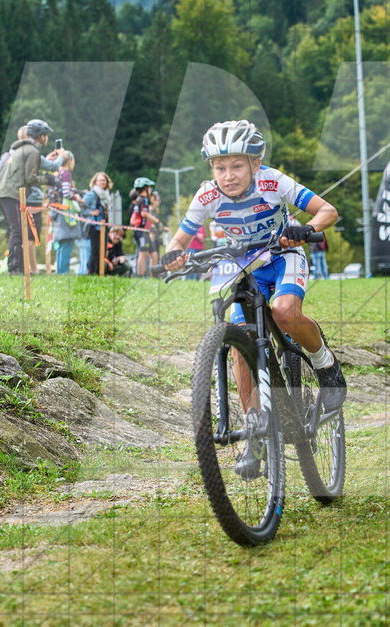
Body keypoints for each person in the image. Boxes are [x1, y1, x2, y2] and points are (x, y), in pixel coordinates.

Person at [161, 120, 346, 478]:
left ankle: (325, 364)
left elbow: (328, 211)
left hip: (282, 255)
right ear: (211, 168)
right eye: (220, 167)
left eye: (236, 166)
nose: (228, 175)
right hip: (241, 263)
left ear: (255, 163)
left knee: (284, 312)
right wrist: (174, 254)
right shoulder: (207, 196)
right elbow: (180, 239)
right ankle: (254, 432)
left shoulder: (272, 182)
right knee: (240, 340)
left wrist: (306, 229)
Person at [0, 118, 59, 275]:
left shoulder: (22, 148)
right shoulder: (32, 151)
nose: (46, 139)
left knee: (20, 230)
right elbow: (30, 179)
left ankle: (20, 267)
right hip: (10, 193)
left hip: (6, 192)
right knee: (18, 230)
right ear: (41, 136)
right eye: (46, 136)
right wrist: (48, 179)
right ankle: (15, 268)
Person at [49, 152, 81, 274]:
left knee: (61, 245)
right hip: (66, 213)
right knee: (67, 243)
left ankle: (60, 271)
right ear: (70, 161)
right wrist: (76, 198)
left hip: (57, 212)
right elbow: (67, 192)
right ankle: (63, 272)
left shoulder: (58, 173)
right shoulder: (66, 174)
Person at [82, 171, 112, 275]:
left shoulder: (106, 195)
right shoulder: (91, 194)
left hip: (103, 226)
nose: (102, 182)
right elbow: (81, 208)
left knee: (102, 251)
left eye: (104, 180)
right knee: (95, 251)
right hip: (94, 226)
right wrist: (90, 212)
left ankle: (100, 273)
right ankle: (92, 273)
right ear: (95, 182)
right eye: (100, 180)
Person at [129, 177, 159, 277]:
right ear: (145, 188)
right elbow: (144, 214)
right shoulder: (143, 200)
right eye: (149, 187)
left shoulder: (140, 200)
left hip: (144, 231)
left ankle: (153, 275)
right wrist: (156, 221)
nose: (150, 190)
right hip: (141, 231)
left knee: (154, 254)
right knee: (143, 254)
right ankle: (140, 276)